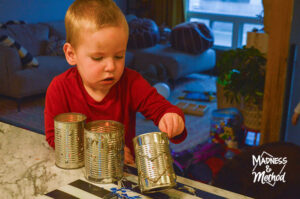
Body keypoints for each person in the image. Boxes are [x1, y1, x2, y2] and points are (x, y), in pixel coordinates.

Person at [44, 0, 187, 165]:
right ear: (71, 54)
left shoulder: (131, 82)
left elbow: (161, 108)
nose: (111, 66)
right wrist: (101, 151)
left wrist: (171, 117)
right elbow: (54, 137)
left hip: (123, 171)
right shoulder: (59, 88)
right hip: (78, 169)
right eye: (98, 58)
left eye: (119, 56)